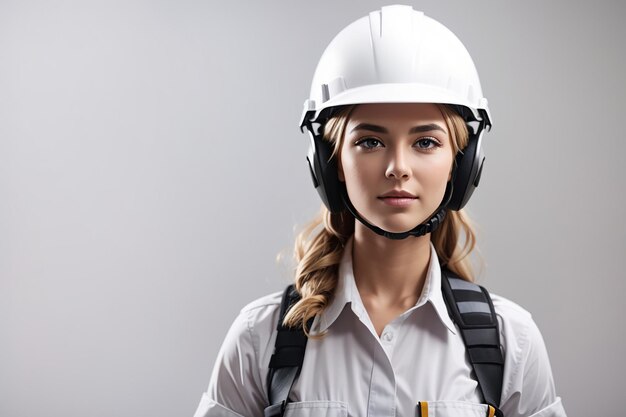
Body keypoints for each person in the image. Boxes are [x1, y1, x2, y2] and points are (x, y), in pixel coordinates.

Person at [193, 5, 566, 417]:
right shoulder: (258, 338)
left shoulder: (512, 342)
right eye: (370, 141)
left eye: (426, 142)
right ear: (329, 162)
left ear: (462, 165)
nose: (398, 168)